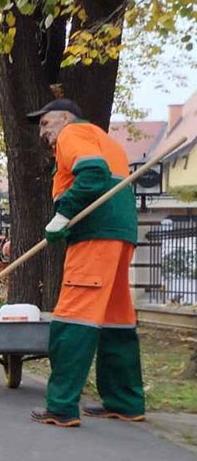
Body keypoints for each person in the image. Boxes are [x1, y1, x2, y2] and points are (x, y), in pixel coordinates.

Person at [28, 98, 144, 427]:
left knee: (72, 319)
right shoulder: (103, 139)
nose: (44, 133)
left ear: (65, 117)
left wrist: (62, 216)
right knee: (115, 320)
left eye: (46, 124)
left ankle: (61, 407)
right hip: (120, 235)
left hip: (95, 238)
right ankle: (125, 401)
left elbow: (92, 174)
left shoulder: (73, 134)